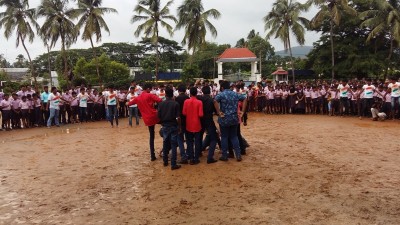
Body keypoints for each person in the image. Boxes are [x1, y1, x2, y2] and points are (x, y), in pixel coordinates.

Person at [214, 81, 247, 162]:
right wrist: (242, 111)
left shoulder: (221, 94)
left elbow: (214, 101)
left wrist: (218, 112)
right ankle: (238, 155)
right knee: (234, 136)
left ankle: (225, 155)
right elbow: (245, 99)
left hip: (224, 118)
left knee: (224, 137)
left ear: (222, 88)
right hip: (234, 118)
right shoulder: (235, 94)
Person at [128, 83, 162, 161]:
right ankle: (165, 149)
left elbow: (129, 103)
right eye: (150, 89)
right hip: (155, 116)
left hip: (147, 119)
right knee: (167, 127)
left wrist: (127, 103)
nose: (150, 91)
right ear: (148, 89)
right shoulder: (150, 95)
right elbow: (160, 100)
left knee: (151, 136)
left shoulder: (138, 98)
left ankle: (152, 155)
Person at [157, 88, 181, 170]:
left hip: (165, 126)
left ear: (165, 95)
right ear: (172, 95)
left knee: (165, 143)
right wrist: (179, 127)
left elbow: (158, 116)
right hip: (173, 126)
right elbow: (178, 117)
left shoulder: (161, 104)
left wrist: (162, 123)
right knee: (174, 145)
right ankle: (173, 164)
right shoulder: (176, 104)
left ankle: (165, 161)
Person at [182, 87, 204, 165]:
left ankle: (191, 158)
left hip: (188, 124)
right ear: (196, 93)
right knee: (197, 141)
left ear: (190, 93)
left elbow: (184, 113)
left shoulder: (186, 101)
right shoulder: (199, 102)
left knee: (189, 142)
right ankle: (196, 158)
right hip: (197, 124)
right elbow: (201, 114)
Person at [198, 86, 218, 164]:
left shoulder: (199, 99)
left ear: (202, 91)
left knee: (199, 137)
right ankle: (210, 157)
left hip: (200, 120)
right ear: (209, 91)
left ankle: (198, 153)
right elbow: (216, 112)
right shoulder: (212, 100)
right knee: (214, 139)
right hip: (209, 120)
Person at [175, 84, 190, 164]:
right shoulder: (188, 98)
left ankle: (183, 156)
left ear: (178, 91)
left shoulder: (177, 99)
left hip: (179, 121)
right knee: (188, 138)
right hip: (187, 120)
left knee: (180, 139)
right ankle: (189, 154)